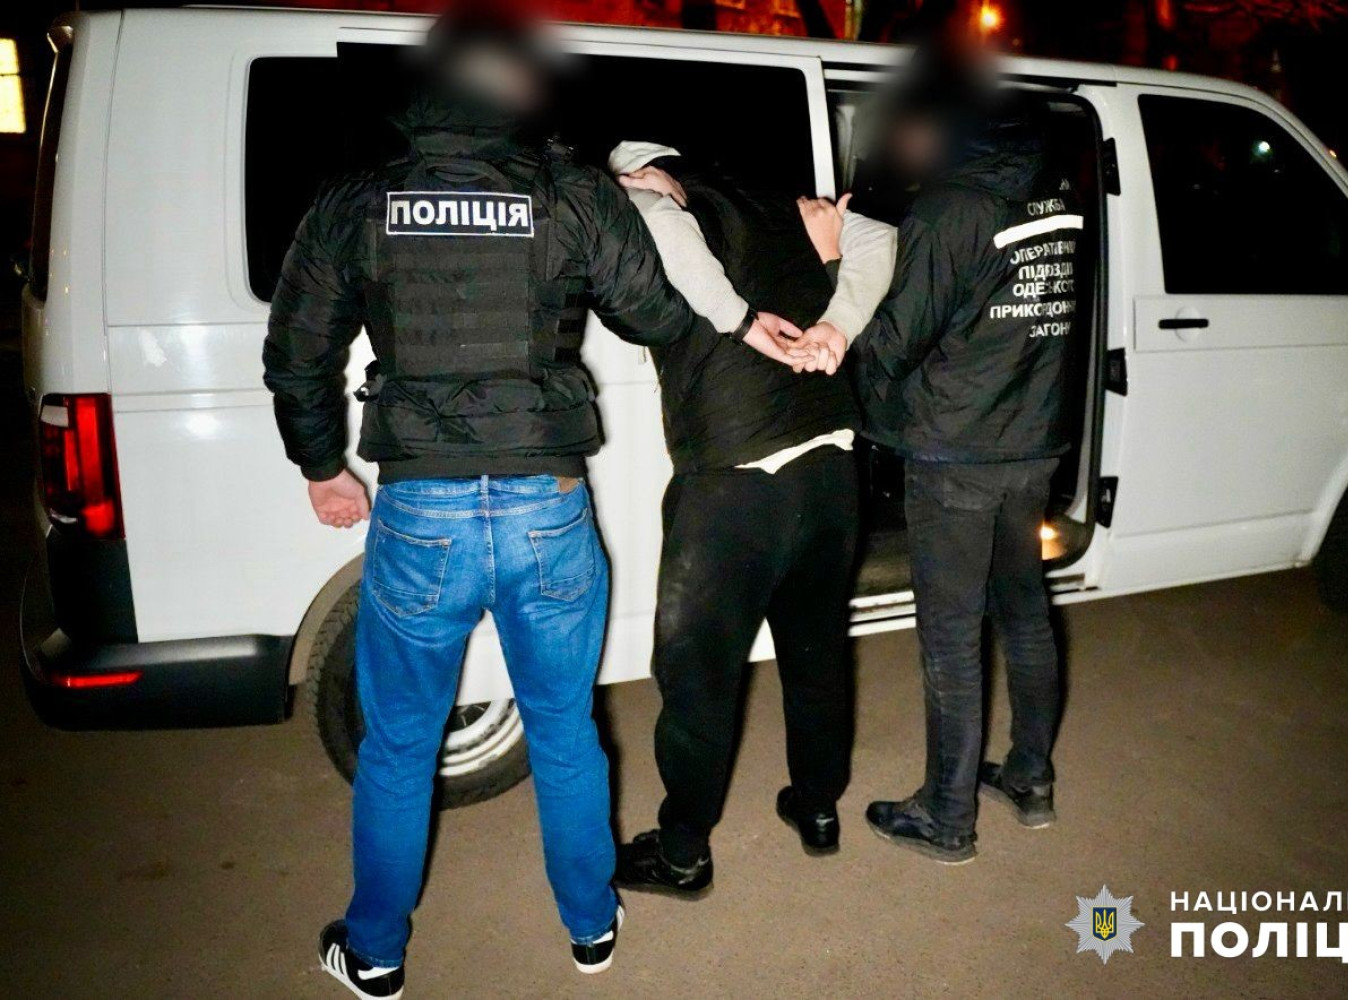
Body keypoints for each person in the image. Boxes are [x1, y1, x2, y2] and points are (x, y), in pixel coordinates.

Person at [262, 14, 795, 996]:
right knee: (561, 726)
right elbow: (655, 316)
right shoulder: (568, 191)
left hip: (421, 511)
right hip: (546, 504)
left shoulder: (358, 199)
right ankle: (590, 926)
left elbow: (296, 352)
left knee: (399, 745)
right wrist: (614, 213)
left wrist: (322, 466)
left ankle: (374, 953)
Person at [604, 142, 896, 896]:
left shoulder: (652, 205)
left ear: (640, 173)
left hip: (734, 484)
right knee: (815, 654)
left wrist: (737, 321)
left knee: (697, 678)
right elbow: (879, 238)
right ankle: (818, 807)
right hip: (830, 468)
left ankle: (682, 853)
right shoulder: (780, 203)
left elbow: (658, 227)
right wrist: (837, 325)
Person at [825, 58, 1083, 864]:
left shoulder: (951, 208)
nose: (906, 140)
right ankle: (1031, 778)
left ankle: (947, 814)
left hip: (958, 453)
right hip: (1030, 441)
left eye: (916, 126)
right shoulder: (1054, 195)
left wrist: (836, 266)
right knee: (1025, 613)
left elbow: (893, 343)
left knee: (950, 637)